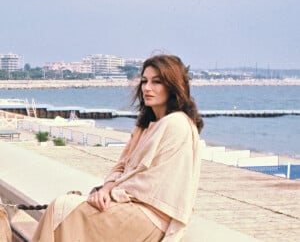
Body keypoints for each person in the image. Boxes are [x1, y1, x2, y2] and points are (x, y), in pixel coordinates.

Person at [32, 54, 204, 242]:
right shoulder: (145, 126)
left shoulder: (177, 124)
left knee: (63, 208)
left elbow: (154, 184)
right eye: (144, 81)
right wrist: (105, 189)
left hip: (151, 217)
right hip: (128, 204)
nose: (147, 88)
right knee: (62, 207)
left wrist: (113, 193)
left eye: (156, 82)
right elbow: (121, 167)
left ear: (172, 86)